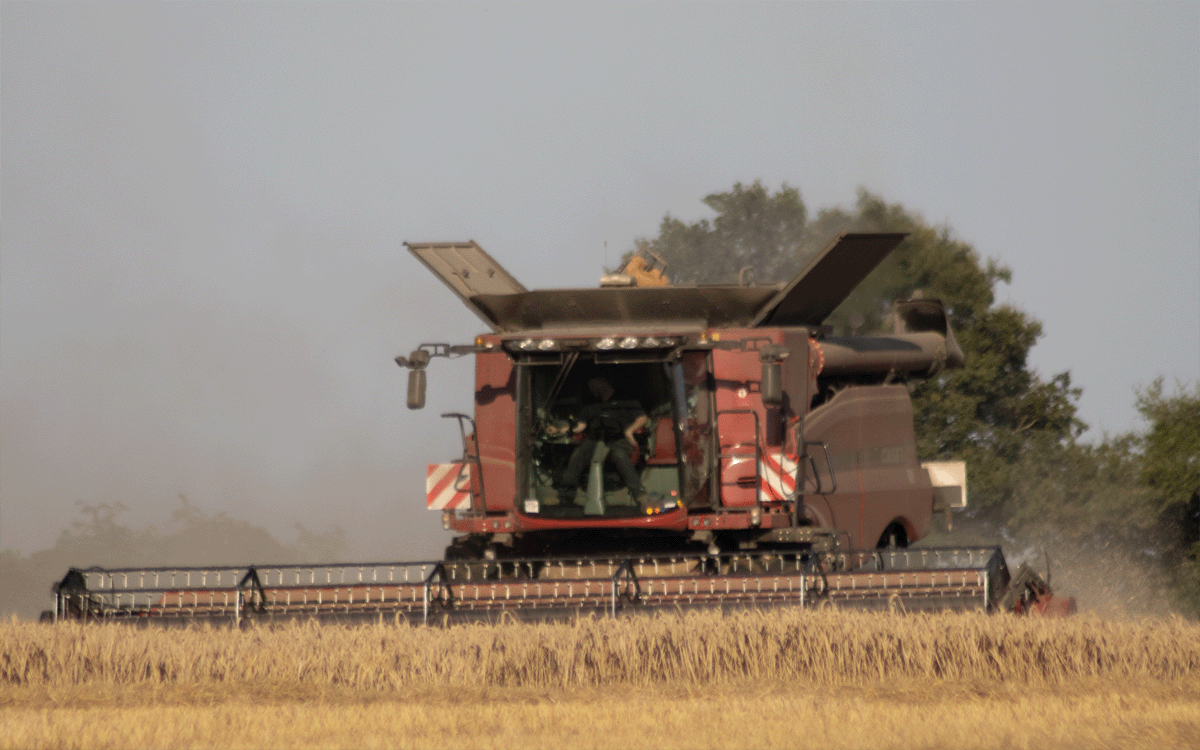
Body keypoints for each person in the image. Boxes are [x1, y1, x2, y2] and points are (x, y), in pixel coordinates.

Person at [548, 377, 648, 506]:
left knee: (619, 455)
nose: (591, 388)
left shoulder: (625, 399)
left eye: (592, 384)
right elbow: (580, 426)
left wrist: (629, 431)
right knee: (577, 454)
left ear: (603, 382)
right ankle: (565, 497)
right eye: (589, 386)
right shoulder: (591, 405)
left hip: (619, 440)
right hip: (595, 440)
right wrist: (559, 429)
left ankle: (640, 495)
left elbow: (642, 417)